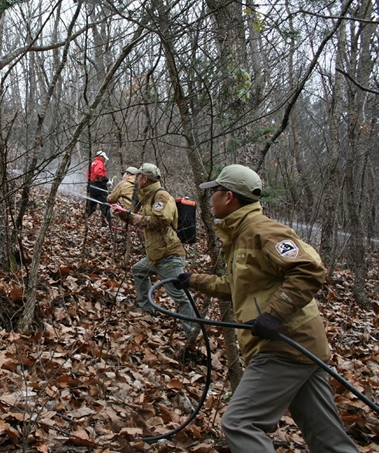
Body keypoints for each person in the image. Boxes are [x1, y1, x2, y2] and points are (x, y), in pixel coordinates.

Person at [173, 164, 358, 453]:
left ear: (229, 197)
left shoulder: (262, 230)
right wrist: (194, 280)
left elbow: (309, 270)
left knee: (240, 423)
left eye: (215, 193)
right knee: (327, 439)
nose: (212, 200)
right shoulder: (241, 233)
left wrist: (273, 315)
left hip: (285, 346)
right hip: (300, 346)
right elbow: (239, 286)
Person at [110, 163, 196, 336]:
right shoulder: (146, 196)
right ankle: (147, 309)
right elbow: (138, 219)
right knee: (138, 271)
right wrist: (121, 213)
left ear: (144, 178)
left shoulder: (161, 196)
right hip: (155, 255)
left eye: (138, 177)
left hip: (168, 256)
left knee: (179, 297)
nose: (135, 180)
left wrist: (130, 215)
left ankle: (194, 334)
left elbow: (159, 221)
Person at [86, 150, 112, 228]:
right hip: (99, 186)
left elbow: (89, 175)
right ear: (101, 157)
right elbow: (98, 173)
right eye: (104, 158)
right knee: (105, 206)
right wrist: (107, 181)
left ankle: (83, 220)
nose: (104, 161)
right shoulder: (99, 162)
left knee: (92, 206)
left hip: (91, 186)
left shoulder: (92, 163)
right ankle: (106, 225)